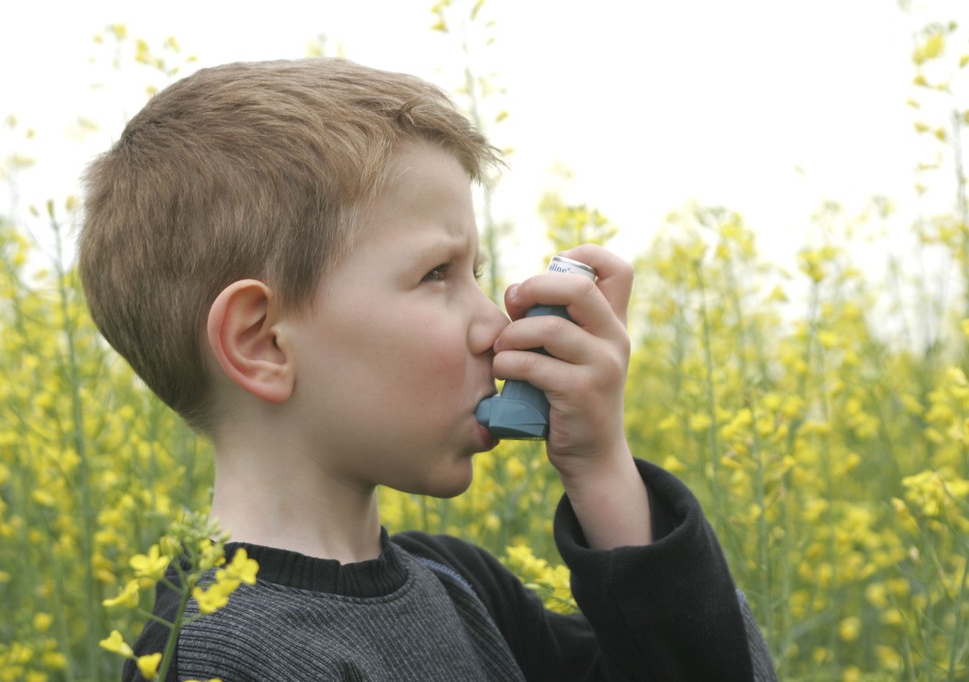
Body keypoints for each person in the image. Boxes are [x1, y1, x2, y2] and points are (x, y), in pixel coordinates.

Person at [79, 58, 776, 681]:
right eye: (437, 273)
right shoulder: (220, 656)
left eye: (474, 272)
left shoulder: (461, 583)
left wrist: (601, 469)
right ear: (263, 343)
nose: (497, 326)